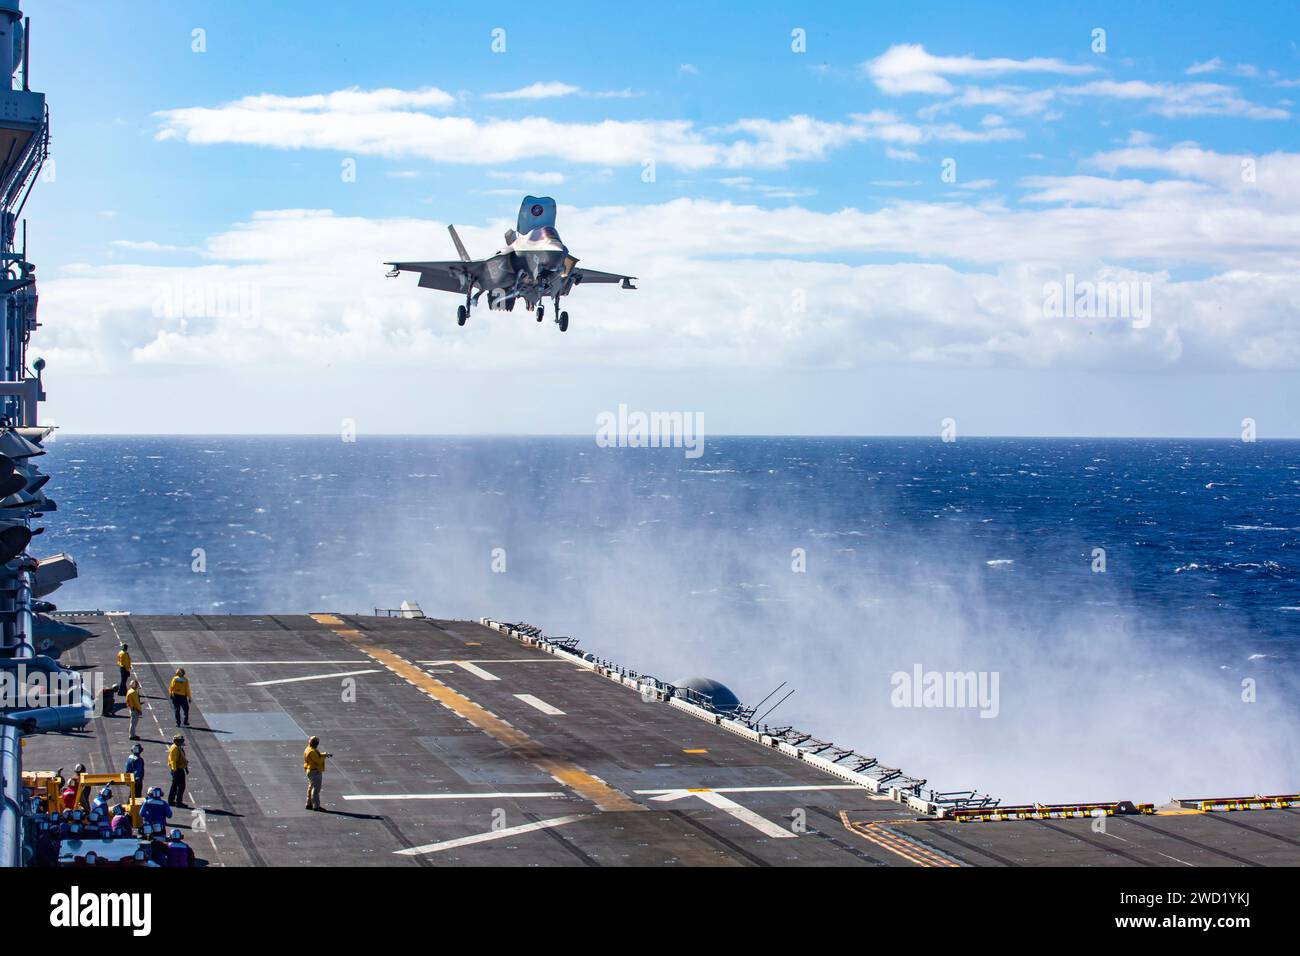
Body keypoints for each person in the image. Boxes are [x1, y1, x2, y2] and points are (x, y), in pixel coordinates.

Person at [302, 735, 333, 811]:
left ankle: (309, 804)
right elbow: (318, 761)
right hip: (314, 771)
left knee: (311, 787)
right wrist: (324, 757)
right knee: (316, 789)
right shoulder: (312, 751)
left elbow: (317, 756)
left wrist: (324, 754)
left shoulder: (308, 749)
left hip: (310, 770)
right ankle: (316, 806)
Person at [167, 734, 188, 807]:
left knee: (175, 786)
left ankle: (171, 801)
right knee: (181, 786)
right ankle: (179, 802)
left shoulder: (177, 747)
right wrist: (175, 770)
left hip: (178, 769)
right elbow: (173, 760)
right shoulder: (175, 748)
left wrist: (185, 768)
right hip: (177, 770)